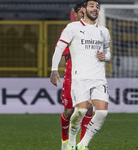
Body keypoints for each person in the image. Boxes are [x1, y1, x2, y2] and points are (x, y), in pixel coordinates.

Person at [50, 0, 111, 149]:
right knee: (78, 111)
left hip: (98, 78)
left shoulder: (104, 31)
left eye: (97, 7)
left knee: (101, 112)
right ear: (84, 9)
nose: (95, 9)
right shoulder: (73, 28)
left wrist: (106, 57)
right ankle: (69, 141)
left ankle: (82, 145)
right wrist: (54, 69)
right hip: (78, 77)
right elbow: (59, 49)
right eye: (91, 6)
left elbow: (108, 52)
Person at [50, 2, 93, 150]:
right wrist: (54, 69)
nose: (84, 15)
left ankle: (82, 145)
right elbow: (62, 50)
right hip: (72, 77)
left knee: (89, 109)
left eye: (85, 13)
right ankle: (64, 141)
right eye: (81, 13)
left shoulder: (94, 31)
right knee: (69, 111)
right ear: (75, 14)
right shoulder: (70, 30)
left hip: (88, 76)